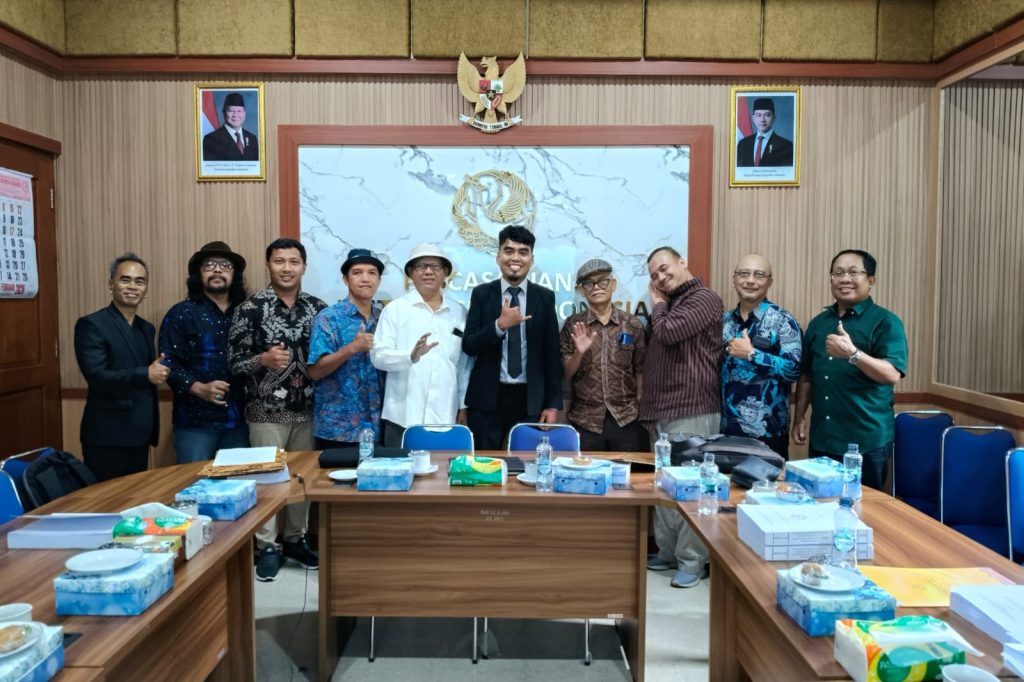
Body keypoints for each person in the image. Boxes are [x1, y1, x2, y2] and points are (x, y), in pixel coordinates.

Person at [229, 238, 326, 581]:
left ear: (304, 267)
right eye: (279, 261)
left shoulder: (318, 308)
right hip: (265, 411)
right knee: (267, 480)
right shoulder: (249, 308)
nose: (287, 268)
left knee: (302, 480)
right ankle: (267, 547)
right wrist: (263, 359)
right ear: (268, 265)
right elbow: (234, 363)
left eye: (293, 262)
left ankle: (296, 540)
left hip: (309, 409)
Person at [639, 246, 723, 589]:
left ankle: (692, 560)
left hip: (692, 409)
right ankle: (669, 552)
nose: (660, 277)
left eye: (664, 268)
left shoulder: (704, 298)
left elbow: (670, 332)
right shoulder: (671, 304)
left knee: (690, 487)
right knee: (664, 485)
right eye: (654, 275)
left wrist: (657, 305)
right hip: (662, 410)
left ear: (682, 262)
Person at [792, 249, 907, 490]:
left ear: (871, 280)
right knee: (821, 502)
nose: (845, 279)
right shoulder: (819, 323)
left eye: (854, 272)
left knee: (864, 507)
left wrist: (853, 354)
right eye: (838, 273)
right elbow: (807, 375)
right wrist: (799, 417)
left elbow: (891, 374)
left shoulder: (886, 322)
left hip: (866, 441)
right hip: (823, 437)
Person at [462, 225, 563, 450]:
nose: (515, 258)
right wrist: (499, 326)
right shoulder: (482, 294)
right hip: (488, 398)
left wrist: (552, 405)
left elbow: (552, 354)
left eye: (523, 252)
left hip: (531, 399)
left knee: (528, 463)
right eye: (509, 251)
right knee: (485, 464)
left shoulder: (544, 297)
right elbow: (469, 345)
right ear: (498, 256)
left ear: (531, 259)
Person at [74, 253, 167, 481]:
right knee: (107, 499)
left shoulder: (146, 328)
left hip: (141, 432)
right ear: (111, 284)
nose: (133, 286)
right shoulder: (92, 324)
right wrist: (145, 374)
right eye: (125, 280)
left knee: (136, 497)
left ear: (146, 289)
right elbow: (97, 376)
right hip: (107, 435)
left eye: (140, 281)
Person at [371, 243, 472, 447]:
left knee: (444, 467)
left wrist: (463, 405)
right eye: (421, 266)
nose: (428, 272)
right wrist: (410, 357)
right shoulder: (395, 310)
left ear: (445, 273)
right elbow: (378, 356)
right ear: (410, 273)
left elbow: (463, 365)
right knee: (400, 468)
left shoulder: (459, 312)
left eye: (435, 267)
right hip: (403, 415)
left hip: (446, 414)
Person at [159, 242, 249, 463]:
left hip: (238, 421)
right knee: (194, 482)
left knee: (239, 482)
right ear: (198, 273)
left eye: (225, 265)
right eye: (209, 264)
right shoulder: (181, 313)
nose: (217, 270)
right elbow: (168, 364)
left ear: (234, 274)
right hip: (194, 423)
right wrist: (199, 388)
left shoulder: (247, 313)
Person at [560, 258, 647, 452]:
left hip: (626, 418)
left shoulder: (632, 324)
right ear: (582, 290)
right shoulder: (573, 325)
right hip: (585, 420)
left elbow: (640, 368)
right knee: (585, 471)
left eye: (603, 281)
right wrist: (578, 353)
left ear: (613, 284)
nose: (597, 287)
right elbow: (565, 373)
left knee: (630, 472)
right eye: (589, 283)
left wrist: (641, 405)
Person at [720, 254, 802, 458]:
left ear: (769, 282)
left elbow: (793, 371)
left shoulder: (783, 320)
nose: (750, 280)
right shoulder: (725, 321)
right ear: (734, 278)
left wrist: (753, 355)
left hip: (769, 433)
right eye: (744, 273)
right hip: (727, 430)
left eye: (758, 275)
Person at [308, 248, 385, 449]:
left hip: (379, 426)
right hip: (338, 429)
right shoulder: (328, 318)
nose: (365, 278)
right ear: (345, 279)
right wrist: (351, 348)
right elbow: (315, 371)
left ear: (379, 280)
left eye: (372, 273)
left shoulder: (385, 317)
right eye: (357, 272)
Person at [736, 97, 794, 167]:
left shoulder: (785, 145)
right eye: (759, 115)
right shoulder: (743, 144)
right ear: (753, 118)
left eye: (767, 115)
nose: (762, 120)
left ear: (774, 118)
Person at [202, 92, 259, 161]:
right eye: (231, 111)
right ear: (223, 112)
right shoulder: (211, 140)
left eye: (239, 111)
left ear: (244, 113)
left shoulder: (252, 138)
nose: (235, 115)